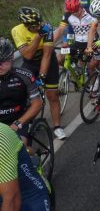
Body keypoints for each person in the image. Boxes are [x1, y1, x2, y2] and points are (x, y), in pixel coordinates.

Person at [11, 7, 66, 140]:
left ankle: (57, 127)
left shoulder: (46, 27)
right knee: (23, 93)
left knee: (52, 94)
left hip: (48, 60)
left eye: (39, 23)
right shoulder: (17, 30)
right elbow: (28, 55)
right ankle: (24, 123)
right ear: (26, 25)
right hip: (30, 62)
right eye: (35, 26)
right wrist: (37, 36)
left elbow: (47, 55)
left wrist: (42, 77)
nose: (39, 26)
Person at [0, 122, 51, 210]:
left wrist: (18, 123)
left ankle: (32, 157)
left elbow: (11, 200)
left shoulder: (1, 139)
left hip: (28, 197)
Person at [0, 37, 43, 142]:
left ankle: (32, 157)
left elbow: (37, 103)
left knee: (21, 145)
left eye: (2, 61)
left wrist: (18, 123)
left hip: (18, 119)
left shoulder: (24, 76)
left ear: (11, 58)